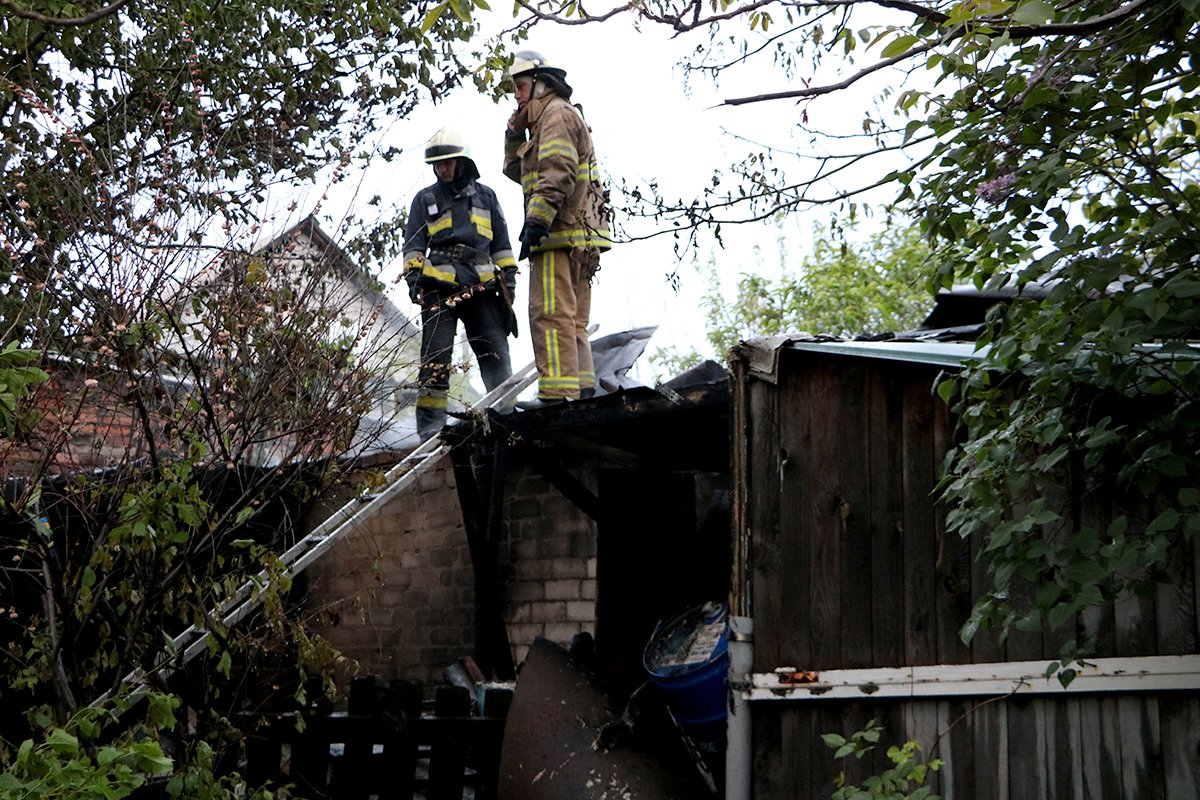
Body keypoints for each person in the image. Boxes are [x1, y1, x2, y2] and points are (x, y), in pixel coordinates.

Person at [503, 50, 612, 406]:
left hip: (558, 231)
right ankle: (580, 391)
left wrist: (537, 219)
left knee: (550, 313)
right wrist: (513, 135)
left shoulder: (555, 115)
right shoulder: (553, 118)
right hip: (577, 232)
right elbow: (516, 172)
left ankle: (556, 394)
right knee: (572, 318)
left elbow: (557, 171)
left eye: (520, 87)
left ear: (539, 83)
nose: (516, 95)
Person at [401, 127, 519, 441]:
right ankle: (429, 429)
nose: (441, 169)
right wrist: (415, 282)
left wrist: (509, 281)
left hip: (482, 286)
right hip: (438, 286)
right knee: (435, 358)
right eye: (436, 165)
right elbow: (413, 246)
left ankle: (506, 417)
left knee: (494, 351)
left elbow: (503, 246)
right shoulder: (424, 200)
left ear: (462, 161)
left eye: (447, 163)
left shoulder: (487, 196)